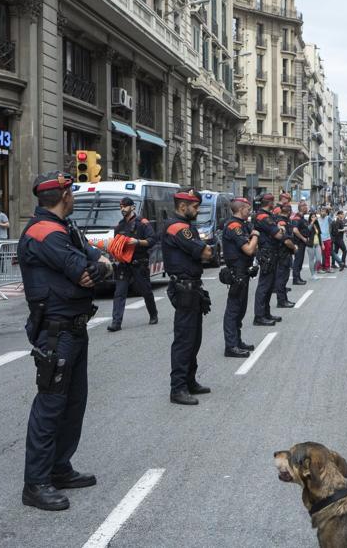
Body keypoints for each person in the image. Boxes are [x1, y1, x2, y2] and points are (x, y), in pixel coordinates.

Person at [17, 170, 109, 511]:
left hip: (74, 327)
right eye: (71, 192)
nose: (74, 196)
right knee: (51, 405)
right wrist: (97, 267)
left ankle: (59, 468)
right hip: (56, 332)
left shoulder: (66, 228)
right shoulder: (44, 233)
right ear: (63, 196)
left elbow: (98, 261)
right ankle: (36, 483)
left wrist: (99, 265)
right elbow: (86, 273)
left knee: (74, 403)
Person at [161, 189, 214, 406]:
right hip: (184, 288)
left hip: (191, 288)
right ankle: (178, 388)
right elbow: (206, 253)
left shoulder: (184, 226)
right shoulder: (178, 228)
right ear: (183, 207)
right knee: (185, 340)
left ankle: (190, 381)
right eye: (194, 206)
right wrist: (205, 248)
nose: (197, 210)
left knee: (194, 339)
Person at [108, 197, 158, 331]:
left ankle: (153, 314)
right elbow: (116, 244)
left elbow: (153, 240)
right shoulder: (119, 225)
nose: (122, 209)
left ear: (132, 207)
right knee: (119, 293)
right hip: (124, 264)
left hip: (139, 263)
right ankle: (116, 323)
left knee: (146, 291)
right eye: (121, 207)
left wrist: (137, 242)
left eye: (125, 206)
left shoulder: (143, 223)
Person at [220, 198, 259, 358]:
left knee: (241, 309)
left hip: (244, 272)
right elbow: (250, 249)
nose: (249, 211)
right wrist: (255, 235)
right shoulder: (234, 226)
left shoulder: (242, 224)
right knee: (233, 310)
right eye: (248, 209)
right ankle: (231, 346)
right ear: (241, 209)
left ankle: (237, 340)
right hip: (237, 273)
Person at [251, 195, 284, 327]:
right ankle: (259, 316)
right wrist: (280, 229)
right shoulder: (262, 217)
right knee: (264, 286)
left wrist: (279, 229)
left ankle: (266, 313)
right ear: (269, 203)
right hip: (267, 253)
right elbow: (279, 234)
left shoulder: (266, 215)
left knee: (269, 285)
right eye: (273, 202)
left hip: (271, 252)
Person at [274, 194, 296, 307]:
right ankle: (281, 301)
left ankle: (283, 299)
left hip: (283, 253)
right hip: (283, 253)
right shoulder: (282, 222)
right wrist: (294, 247)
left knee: (283, 277)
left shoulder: (281, 220)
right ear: (288, 212)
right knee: (282, 278)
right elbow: (286, 240)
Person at [291, 201, 313, 285]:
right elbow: (295, 230)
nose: (307, 207)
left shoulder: (302, 218)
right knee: (298, 261)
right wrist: (303, 238)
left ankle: (298, 277)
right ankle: (295, 279)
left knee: (300, 261)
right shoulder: (297, 218)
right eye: (305, 206)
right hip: (299, 243)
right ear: (302, 207)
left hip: (302, 243)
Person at [318, 206, 334, 271]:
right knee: (319, 255)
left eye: (324, 211)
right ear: (319, 212)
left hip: (327, 239)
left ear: (326, 212)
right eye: (322, 211)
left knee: (327, 254)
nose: (323, 212)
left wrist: (330, 209)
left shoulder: (328, 218)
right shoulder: (317, 220)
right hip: (320, 239)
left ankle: (327, 267)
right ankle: (320, 267)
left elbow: (333, 220)